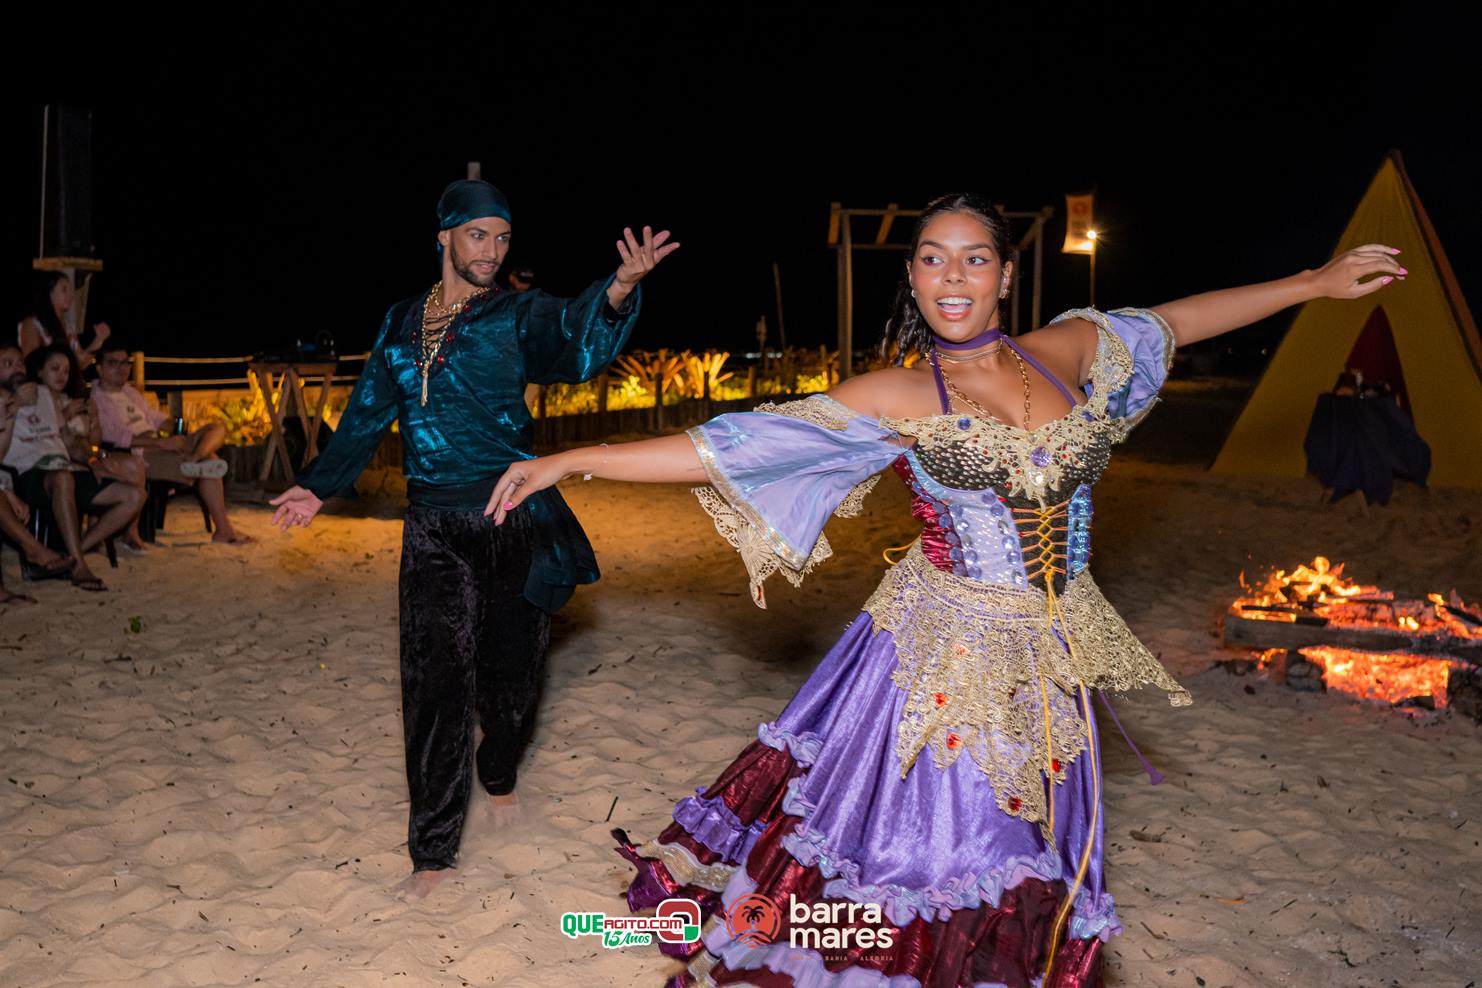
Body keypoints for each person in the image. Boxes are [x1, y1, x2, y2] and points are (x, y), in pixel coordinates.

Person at [485, 193, 1403, 986]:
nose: (952, 278)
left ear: (1005, 273)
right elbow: (731, 446)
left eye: (973, 258)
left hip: (1054, 652)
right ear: (913, 277)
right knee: (959, 856)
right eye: (932, 259)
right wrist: (574, 459)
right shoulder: (897, 393)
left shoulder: (1068, 350)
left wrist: (1312, 283)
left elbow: (1175, 320)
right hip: (946, 654)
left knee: (1037, 853)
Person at [267, 179, 678, 900]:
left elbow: (573, 336)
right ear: (444, 237)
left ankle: (499, 771)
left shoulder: (514, 314)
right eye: (478, 235)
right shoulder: (400, 322)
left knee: (510, 686)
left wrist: (617, 289)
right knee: (434, 684)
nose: (492, 250)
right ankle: (432, 855)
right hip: (432, 526)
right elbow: (367, 411)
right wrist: (318, 485)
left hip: (510, 515)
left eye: (503, 237)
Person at [2, 344, 144, 591]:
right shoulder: (1, 402)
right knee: (63, 478)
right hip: (29, 475)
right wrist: (13, 410)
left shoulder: (45, 394)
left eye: (19, 362)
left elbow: (66, 441)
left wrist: (92, 461)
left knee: (135, 495)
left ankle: (71, 553)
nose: (17, 368)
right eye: (7, 363)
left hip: (64, 468)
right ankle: (78, 565)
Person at [89, 341, 248, 544]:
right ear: (99, 368)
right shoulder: (96, 399)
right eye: (113, 363)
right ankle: (223, 528)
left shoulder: (130, 393)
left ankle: (194, 458)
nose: (121, 369)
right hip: (141, 452)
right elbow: (113, 436)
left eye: (125, 363)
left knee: (216, 429)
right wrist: (160, 444)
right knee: (212, 462)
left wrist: (173, 427)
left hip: (162, 442)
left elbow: (155, 417)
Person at [18, 271, 111, 372]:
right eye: (64, 290)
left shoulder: (68, 327)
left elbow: (80, 363)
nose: (71, 295)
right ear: (48, 293)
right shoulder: (33, 323)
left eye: (71, 290)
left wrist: (99, 339)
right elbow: (31, 363)